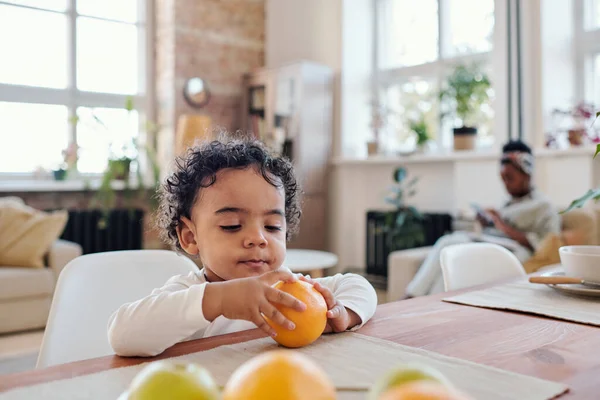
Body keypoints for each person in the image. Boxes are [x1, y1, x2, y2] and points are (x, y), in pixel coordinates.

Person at [108, 133, 378, 357]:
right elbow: (122, 334)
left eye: (272, 226)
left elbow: (359, 285)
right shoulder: (192, 292)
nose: (258, 238)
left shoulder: (290, 291)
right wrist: (221, 300)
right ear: (190, 237)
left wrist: (343, 313)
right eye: (232, 225)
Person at [405, 140, 561, 297]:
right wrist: (487, 222)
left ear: (527, 172)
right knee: (450, 254)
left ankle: (412, 297)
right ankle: (425, 305)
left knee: (451, 245)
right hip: (493, 242)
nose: (506, 184)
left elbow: (548, 245)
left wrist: (503, 227)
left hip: (516, 251)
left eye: (510, 178)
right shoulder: (507, 203)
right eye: (503, 178)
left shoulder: (543, 206)